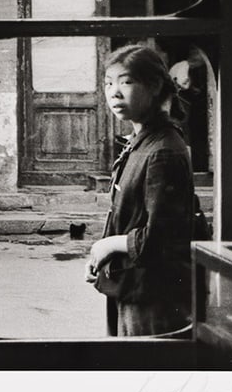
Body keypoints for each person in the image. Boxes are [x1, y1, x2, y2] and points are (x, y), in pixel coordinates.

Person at [84, 45, 196, 337]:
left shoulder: (162, 151)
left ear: (155, 85)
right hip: (131, 284)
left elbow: (161, 237)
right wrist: (102, 258)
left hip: (152, 297)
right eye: (109, 83)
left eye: (126, 81)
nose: (114, 92)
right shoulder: (141, 142)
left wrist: (107, 246)